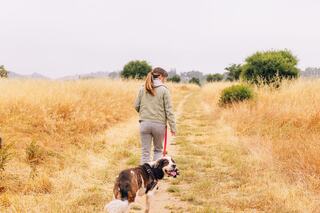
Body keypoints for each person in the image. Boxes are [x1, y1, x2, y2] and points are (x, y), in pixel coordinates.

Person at [134, 67, 176, 164]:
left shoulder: (142, 88)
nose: (164, 81)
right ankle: (155, 177)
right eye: (165, 78)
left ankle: (144, 177)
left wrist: (145, 114)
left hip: (144, 124)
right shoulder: (164, 90)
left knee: (145, 152)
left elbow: (136, 106)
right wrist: (173, 127)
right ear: (160, 76)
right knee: (158, 150)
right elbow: (169, 110)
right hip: (159, 125)